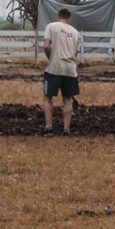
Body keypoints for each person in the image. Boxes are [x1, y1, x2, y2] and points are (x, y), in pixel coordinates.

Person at [42, 8, 81, 136]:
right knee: (67, 98)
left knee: (48, 97)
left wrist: (50, 58)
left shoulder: (51, 26)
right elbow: (75, 53)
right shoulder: (75, 32)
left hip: (55, 68)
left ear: (58, 16)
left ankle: (49, 126)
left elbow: (46, 46)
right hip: (70, 69)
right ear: (69, 18)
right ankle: (66, 129)